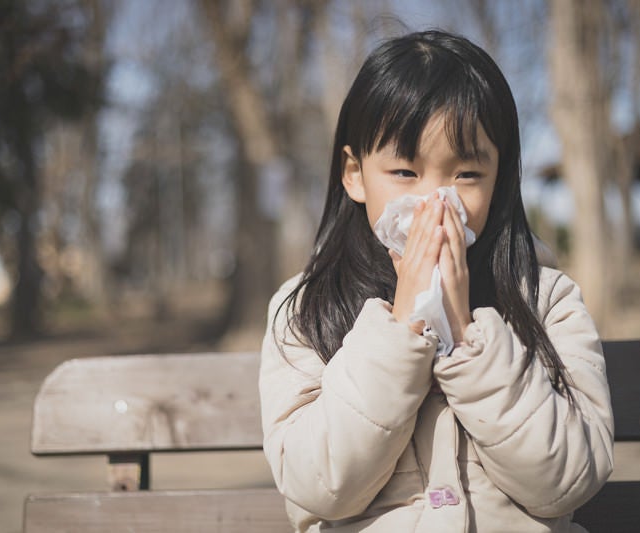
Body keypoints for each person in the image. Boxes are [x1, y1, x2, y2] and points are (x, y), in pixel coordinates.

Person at [259, 29, 613, 533]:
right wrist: (401, 330)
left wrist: (468, 338)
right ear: (355, 174)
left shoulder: (546, 301)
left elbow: (567, 482)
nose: (435, 202)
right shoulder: (305, 310)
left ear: (500, 180)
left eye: (466, 174)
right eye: (405, 172)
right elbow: (318, 487)